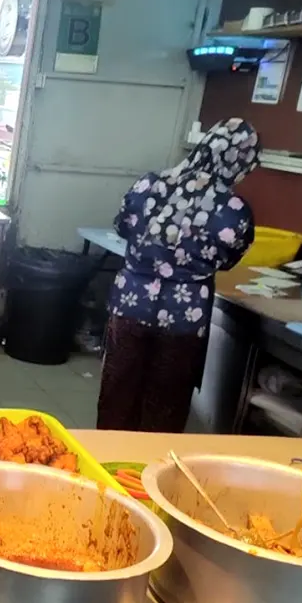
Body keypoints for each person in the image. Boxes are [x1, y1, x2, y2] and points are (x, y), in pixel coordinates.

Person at [97, 118, 260, 433]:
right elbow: (228, 259)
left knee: (118, 387)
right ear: (241, 160)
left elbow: (122, 226)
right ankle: (151, 469)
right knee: (167, 397)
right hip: (185, 314)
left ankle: (106, 460)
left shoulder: (150, 184)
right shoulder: (234, 207)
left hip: (130, 303)